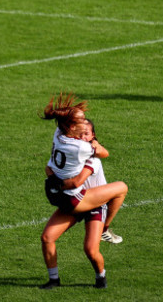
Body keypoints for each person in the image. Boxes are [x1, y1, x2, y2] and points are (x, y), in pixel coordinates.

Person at [38, 93, 128, 289]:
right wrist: (95, 144)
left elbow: (50, 168)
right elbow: (104, 154)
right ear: (71, 127)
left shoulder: (58, 134)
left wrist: (56, 181)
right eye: (81, 124)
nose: (84, 127)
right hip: (76, 199)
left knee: (90, 250)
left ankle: (100, 277)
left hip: (87, 201)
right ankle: (54, 280)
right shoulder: (82, 148)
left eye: (88, 131)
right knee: (122, 187)